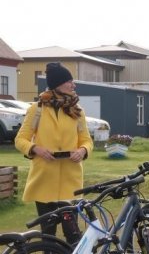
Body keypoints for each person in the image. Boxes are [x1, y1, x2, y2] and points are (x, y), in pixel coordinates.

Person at [15, 62, 93, 244]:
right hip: (44, 181)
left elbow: (87, 140)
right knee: (48, 235)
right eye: (69, 81)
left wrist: (82, 150)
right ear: (58, 84)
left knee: (73, 235)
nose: (73, 85)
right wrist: (35, 149)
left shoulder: (77, 110)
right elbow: (20, 140)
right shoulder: (37, 109)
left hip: (70, 182)